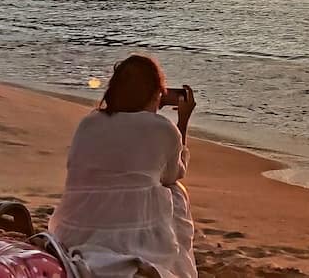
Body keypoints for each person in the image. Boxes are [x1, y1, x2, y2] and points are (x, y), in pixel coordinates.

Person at [50, 54, 198, 278]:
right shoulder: (162, 129)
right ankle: (179, 268)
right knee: (175, 192)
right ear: (155, 93)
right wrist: (183, 122)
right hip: (129, 235)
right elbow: (175, 173)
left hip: (74, 229)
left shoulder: (88, 123)